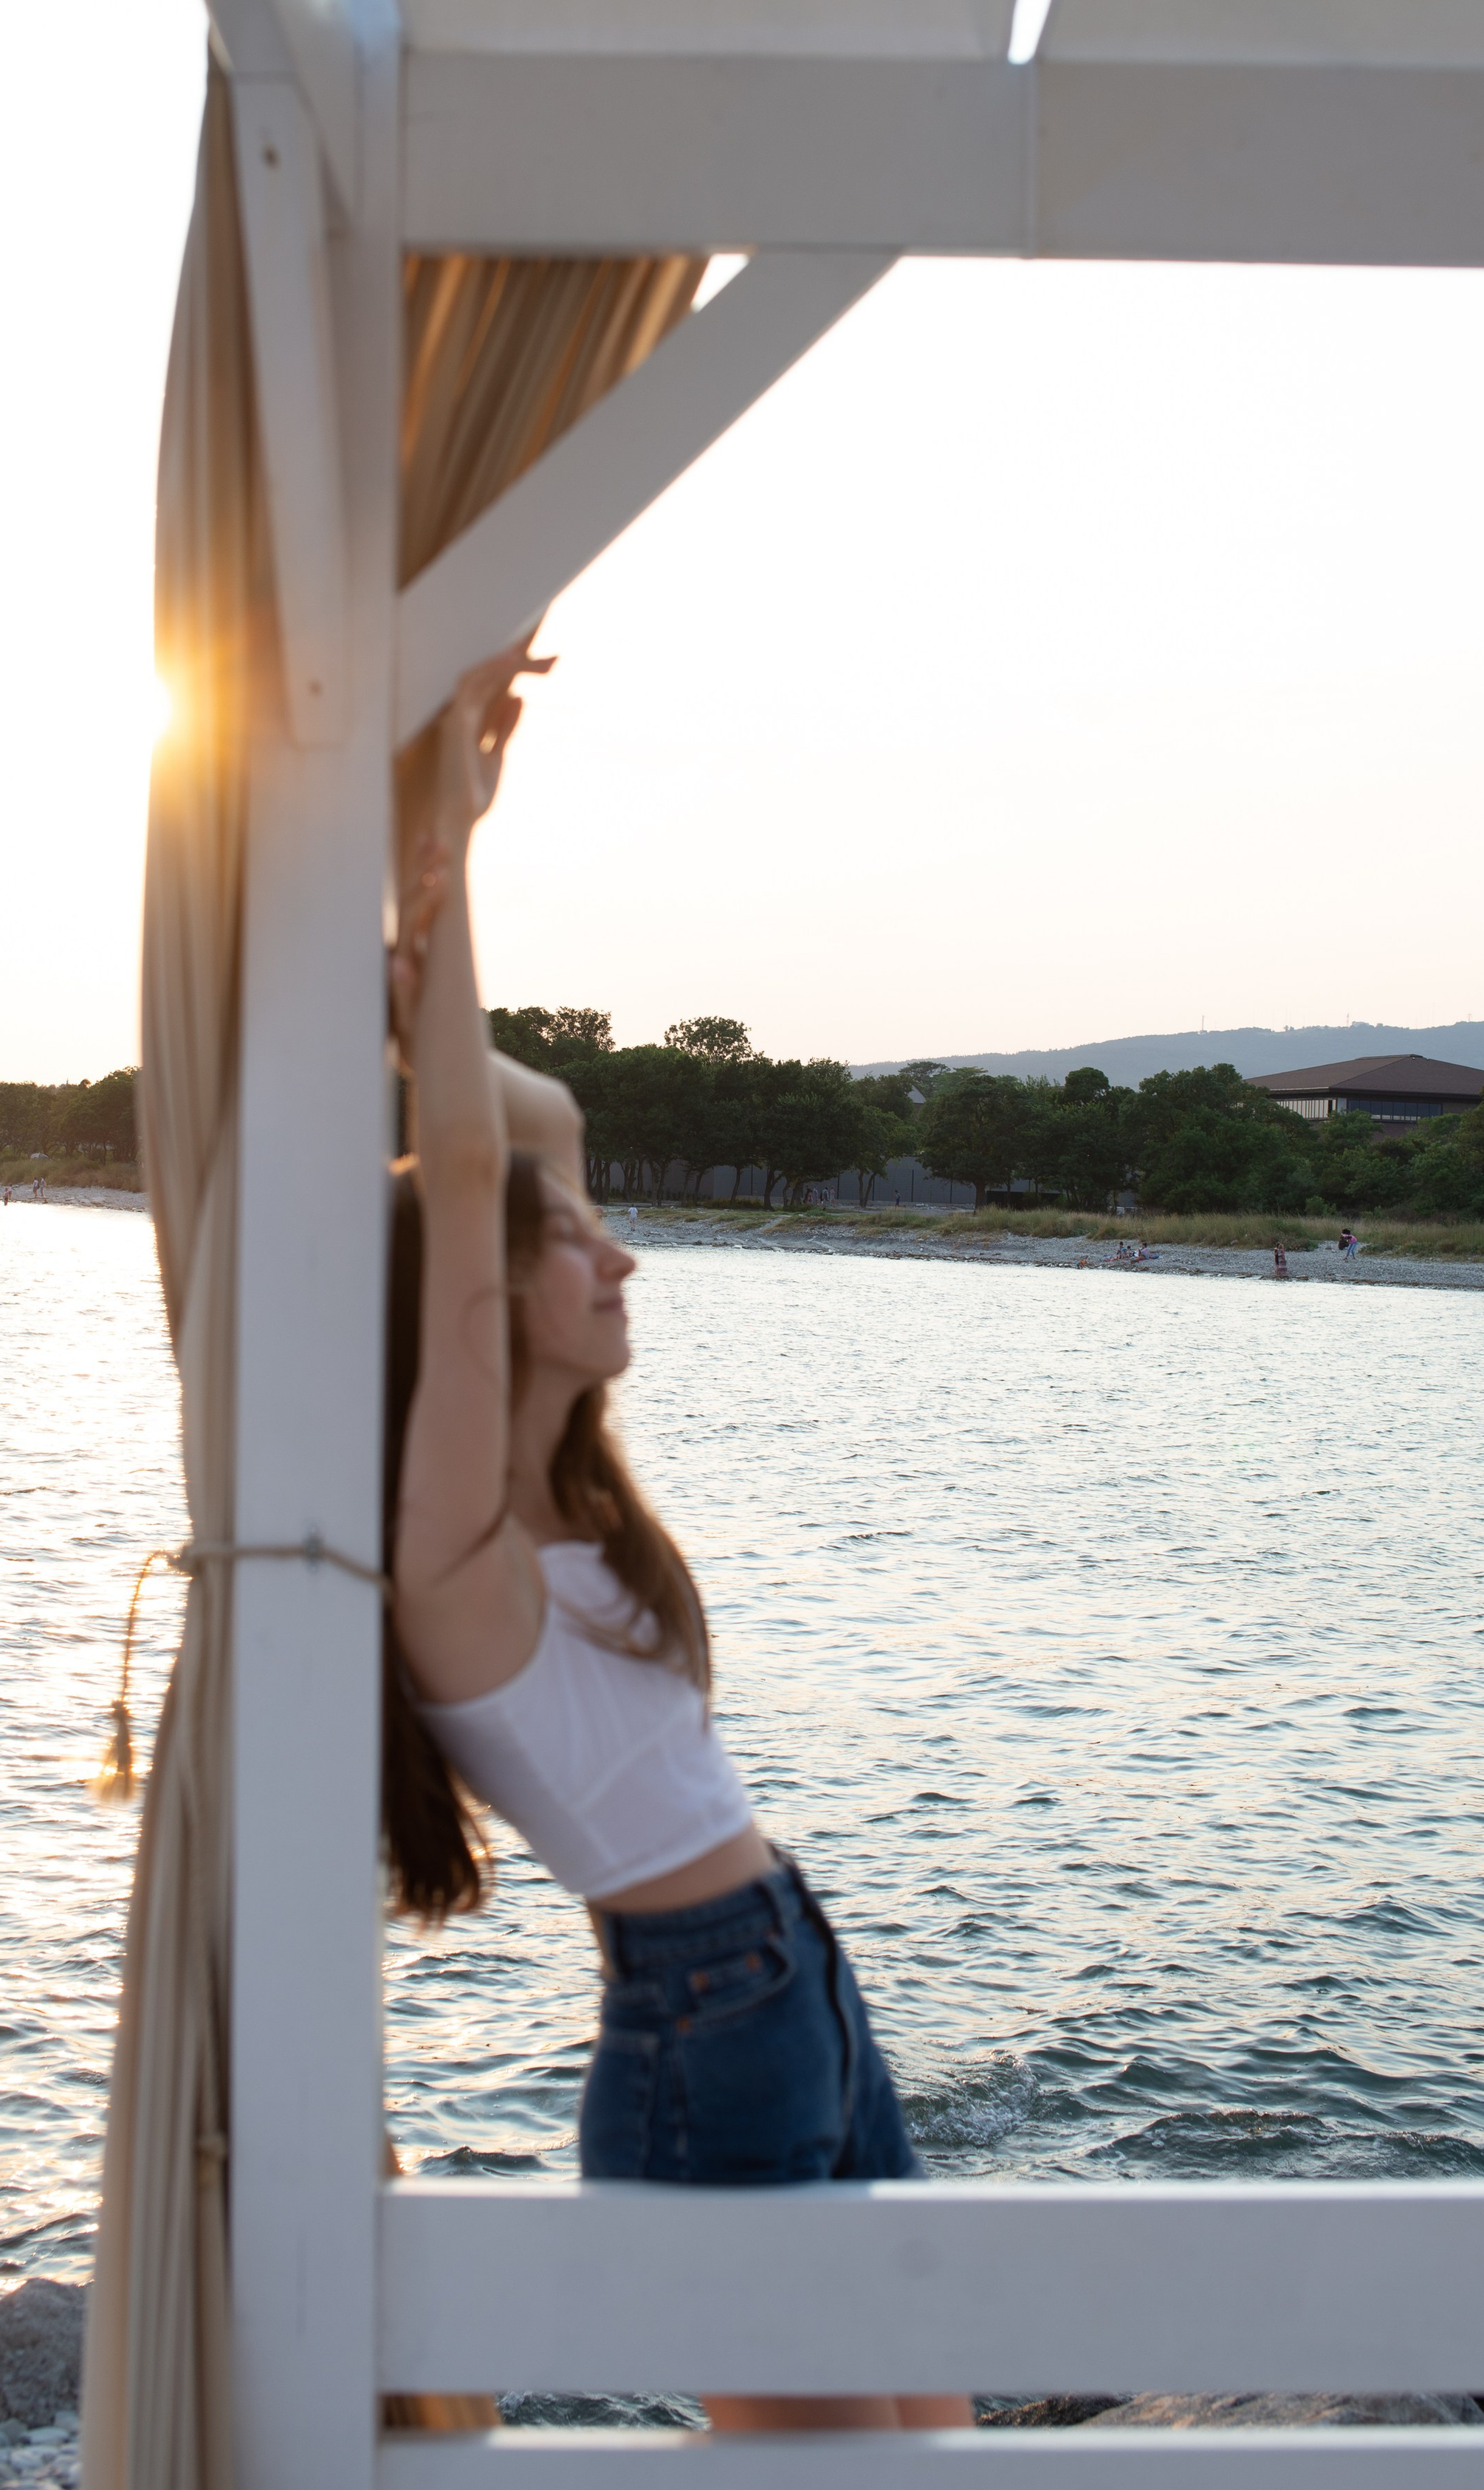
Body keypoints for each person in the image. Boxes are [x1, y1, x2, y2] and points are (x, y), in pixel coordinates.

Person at [385, 648, 966, 2438]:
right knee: (818, 2466)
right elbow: (480, 1158)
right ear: (476, 1296)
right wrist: (450, 861)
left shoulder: (579, 1506)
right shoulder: (456, 1554)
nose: (622, 1255)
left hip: (788, 1965)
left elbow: (523, 1133)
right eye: (578, 1238)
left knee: (929, 2436)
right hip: (705, 2021)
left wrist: (423, 908)